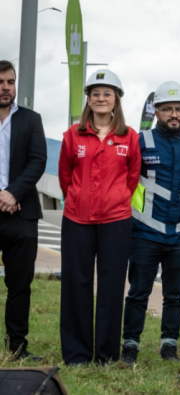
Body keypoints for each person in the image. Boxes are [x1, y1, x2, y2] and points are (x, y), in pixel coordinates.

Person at [58, 69, 141, 365]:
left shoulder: (129, 137)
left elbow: (132, 179)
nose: (101, 98)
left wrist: (115, 198)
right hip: (77, 220)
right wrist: (79, 197)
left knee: (111, 285)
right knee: (76, 284)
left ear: (116, 100)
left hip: (116, 221)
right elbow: (65, 176)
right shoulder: (73, 134)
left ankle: (106, 355)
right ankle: (77, 354)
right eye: (96, 93)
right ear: (89, 100)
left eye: (108, 93)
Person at [121, 82, 180, 364]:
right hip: (145, 231)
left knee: (175, 295)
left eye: (179, 109)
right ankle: (130, 345)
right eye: (168, 109)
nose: (174, 114)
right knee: (138, 293)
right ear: (156, 111)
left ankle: (169, 345)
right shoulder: (139, 141)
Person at [0, 60, 47, 361]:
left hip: (22, 213)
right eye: (0, 82)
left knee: (20, 285)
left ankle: (16, 347)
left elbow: (38, 161)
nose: (5, 87)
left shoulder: (31, 119)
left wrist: (14, 192)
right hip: (5, 202)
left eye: (10, 81)